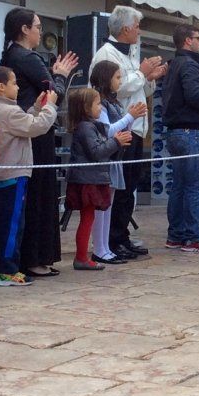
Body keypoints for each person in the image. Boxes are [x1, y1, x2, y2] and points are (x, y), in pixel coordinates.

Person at [0, 7, 77, 277]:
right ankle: (34, 258)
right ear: (24, 29)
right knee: (39, 194)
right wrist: (61, 75)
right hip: (35, 130)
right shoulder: (26, 57)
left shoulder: (11, 55)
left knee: (33, 194)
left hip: (24, 128)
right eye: (37, 27)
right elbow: (53, 93)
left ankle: (32, 256)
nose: (40, 32)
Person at [90, 6, 165, 260]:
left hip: (135, 127)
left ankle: (122, 236)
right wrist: (141, 73)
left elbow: (138, 89)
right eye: (137, 27)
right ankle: (112, 240)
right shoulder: (106, 54)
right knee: (119, 188)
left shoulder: (130, 53)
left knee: (130, 185)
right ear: (125, 29)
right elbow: (116, 89)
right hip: (118, 127)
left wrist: (150, 77)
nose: (139, 31)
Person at [0, 66, 58, 286]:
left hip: (0, 175)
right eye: (14, 83)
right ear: (1, 87)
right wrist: (50, 107)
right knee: (13, 225)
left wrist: (36, 107)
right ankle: (7, 270)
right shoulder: (9, 112)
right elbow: (36, 127)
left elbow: (25, 122)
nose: (17, 87)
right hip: (13, 175)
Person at [163, 24, 199, 253]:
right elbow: (194, 94)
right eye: (198, 38)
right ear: (188, 41)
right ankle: (191, 237)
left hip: (176, 132)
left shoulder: (174, 64)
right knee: (195, 186)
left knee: (179, 185)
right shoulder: (189, 63)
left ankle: (176, 235)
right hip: (191, 132)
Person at [66, 87, 131, 271]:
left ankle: (83, 255)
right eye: (97, 104)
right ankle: (81, 257)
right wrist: (116, 142)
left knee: (89, 217)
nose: (100, 107)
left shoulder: (90, 126)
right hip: (88, 180)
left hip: (90, 177)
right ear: (86, 108)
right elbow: (96, 152)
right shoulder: (86, 127)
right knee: (87, 218)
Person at [88, 60, 147, 264]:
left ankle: (105, 247)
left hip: (115, 158)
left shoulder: (114, 102)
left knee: (109, 206)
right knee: (102, 208)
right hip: (106, 160)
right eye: (117, 77)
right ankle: (100, 248)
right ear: (106, 79)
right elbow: (107, 130)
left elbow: (119, 129)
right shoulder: (101, 103)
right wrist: (129, 117)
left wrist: (130, 119)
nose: (120, 81)